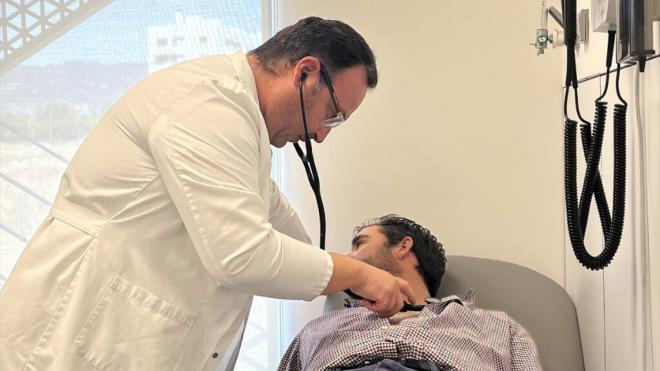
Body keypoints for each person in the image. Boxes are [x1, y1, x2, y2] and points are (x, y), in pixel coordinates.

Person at [0, 17, 415, 371]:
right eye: (332, 115)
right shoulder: (208, 104)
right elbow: (243, 255)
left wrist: (355, 280)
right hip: (74, 335)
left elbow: (283, 228)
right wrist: (361, 274)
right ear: (305, 72)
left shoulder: (242, 126)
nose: (321, 136)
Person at [278, 214, 542, 371]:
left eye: (359, 244)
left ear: (403, 246)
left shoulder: (497, 327)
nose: (348, 257)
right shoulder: (318, 329)